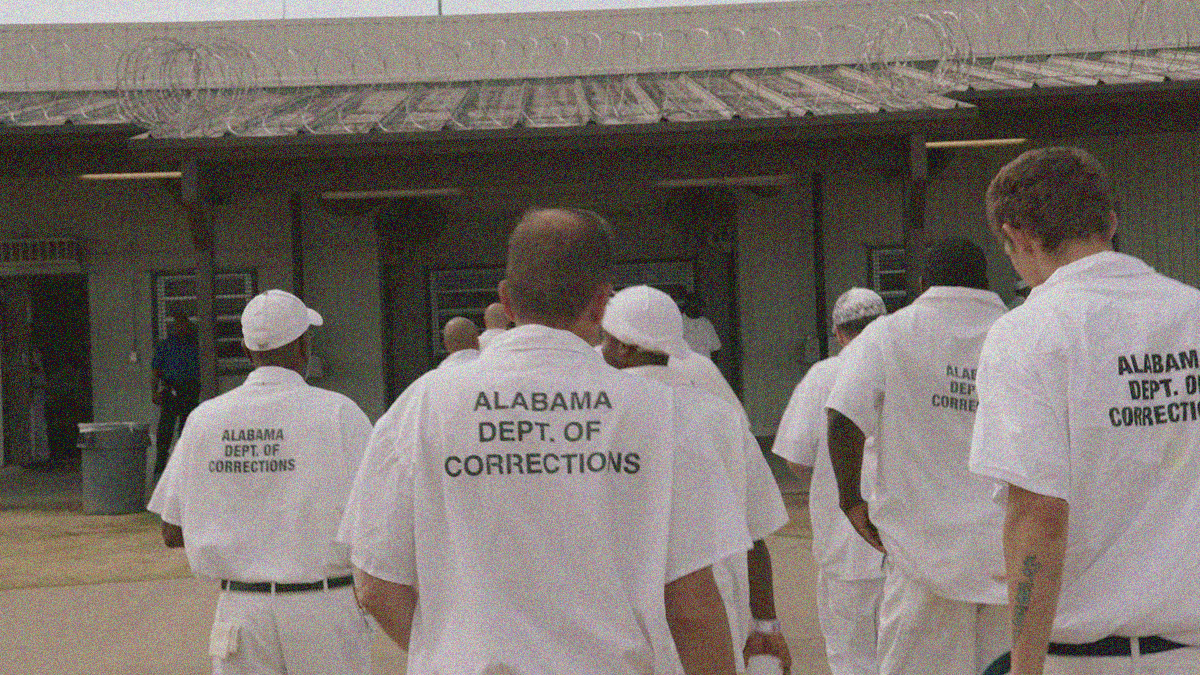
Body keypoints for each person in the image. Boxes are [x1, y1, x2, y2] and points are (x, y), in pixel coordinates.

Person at [340, 207, 749, 675]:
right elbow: (694, 610)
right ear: (601, 304)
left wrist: (447, 652)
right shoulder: (663, 414)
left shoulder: (422, 406)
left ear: (506, 301)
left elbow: (374, 585)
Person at [969, 146, 1200, 675]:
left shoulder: (1027, 334)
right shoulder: (1192, 313)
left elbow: (1037, 516)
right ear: (1111, 222)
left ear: (1020, 236)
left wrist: (1025, 668)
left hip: (1089, 658)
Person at [148, 289, 374, 675]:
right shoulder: (339, 413)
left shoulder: (206, 419)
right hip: (323, 609)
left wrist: (245, 519)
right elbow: (377, 517)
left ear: (246, 349)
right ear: (303, 346)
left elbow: (172, 531)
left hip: (242, 611)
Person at [826, 238, 1010, 675]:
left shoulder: (890, 334)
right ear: (986, 280)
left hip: (920, 559)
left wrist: (850, 500)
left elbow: (842, 420)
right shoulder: (1017, 329)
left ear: (924, 283)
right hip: (1010, 557)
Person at [600, 284, 792, 675]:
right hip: (719, 620)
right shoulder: (721, 417)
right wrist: (766, 624)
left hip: (626, 623)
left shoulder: (595, 418)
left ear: (621, 347)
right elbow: (755, 531)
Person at [772, 288, 887, 675]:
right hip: (907, 547)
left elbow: (796, 457)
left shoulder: (824, 375)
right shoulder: (905, 366)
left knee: (852, 658)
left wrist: (829, 480)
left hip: (846, 546)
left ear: (839, 332)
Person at [152, 306, 201, 475]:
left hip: (189, 388)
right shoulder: (166, 345)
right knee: (166, 427)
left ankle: (184, 464)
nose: (181, 328)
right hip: (171, 389)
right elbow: (156, 370)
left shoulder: (195, 344)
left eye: (183, 324)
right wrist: (154, 391)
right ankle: (160, 464)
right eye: (177, 325)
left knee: (186, 426)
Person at [680, 293, 722, 358]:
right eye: (693, 305)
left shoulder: (706, 324)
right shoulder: (679, 324)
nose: (696, 308)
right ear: (686, 306)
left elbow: (715, 348)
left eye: (698, 305)